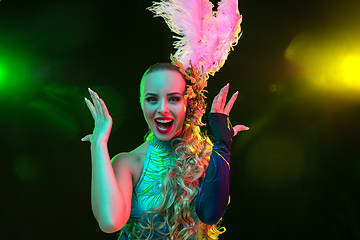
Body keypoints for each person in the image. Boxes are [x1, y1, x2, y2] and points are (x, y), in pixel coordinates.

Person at [82, 61, 249, 239]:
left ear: (189, 103)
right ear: (141, 103)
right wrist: (98, 145)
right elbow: (110, 223)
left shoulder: (205, 157)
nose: (162, 109)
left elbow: (210, 214)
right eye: (152, 99)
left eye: (173, 99)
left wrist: (222, 146)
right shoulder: (127, 163)